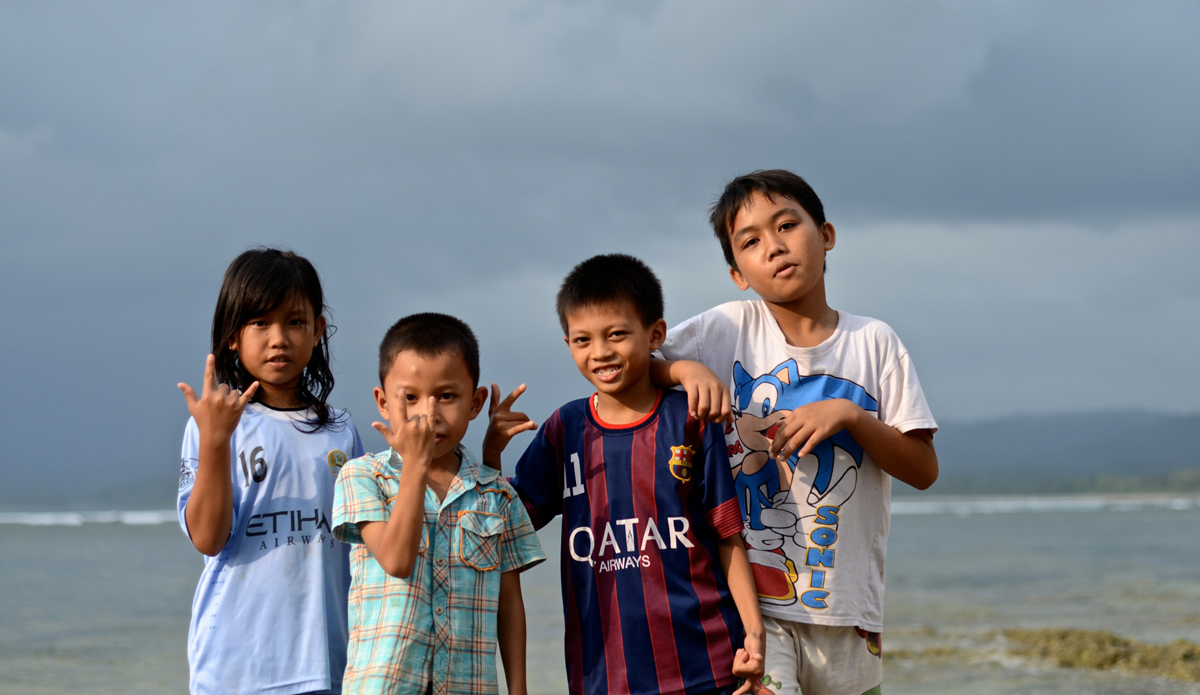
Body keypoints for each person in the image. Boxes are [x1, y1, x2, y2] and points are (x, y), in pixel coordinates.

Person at [655, 170, 940, 695]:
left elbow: (924, 469)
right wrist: (682, 371)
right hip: (754, 610)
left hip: (849, 609)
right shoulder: (725, 329)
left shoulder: (874, 343)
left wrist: (850, 416)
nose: (775, 247)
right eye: (751, 241)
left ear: (826, 235)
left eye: (787, 225)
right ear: (738, 272)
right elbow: (634, 364)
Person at [485, 254, 766, 695]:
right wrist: (491, 455)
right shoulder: (566, 429)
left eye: (616, 334)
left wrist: (754, 633)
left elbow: (727, 535)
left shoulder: (689, 420)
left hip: (707, 667)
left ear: (655, 333)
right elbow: (503, 525)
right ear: (568, 344)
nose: (600, 351)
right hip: (603, 676)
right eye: (583, 339)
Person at [176, 248, 364, 695]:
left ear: (318, 330)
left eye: (295, 322)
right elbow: (207, 538)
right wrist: (217, 439)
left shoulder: (341, 430)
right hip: (237, 665)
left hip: (329, 662)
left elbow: (364, 546)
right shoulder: (214, 424)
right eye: (260, 322)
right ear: (233, 336)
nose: (278, 337)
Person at [331, 313, 545, 695]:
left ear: (476, 402)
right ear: (382, 402)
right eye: (409, 397)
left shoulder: (495, 493)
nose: (428, 414)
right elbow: (396, 560)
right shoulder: (362, 476)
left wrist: (519, 689)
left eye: (446, 396)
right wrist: (414, 463)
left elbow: (509, 602)